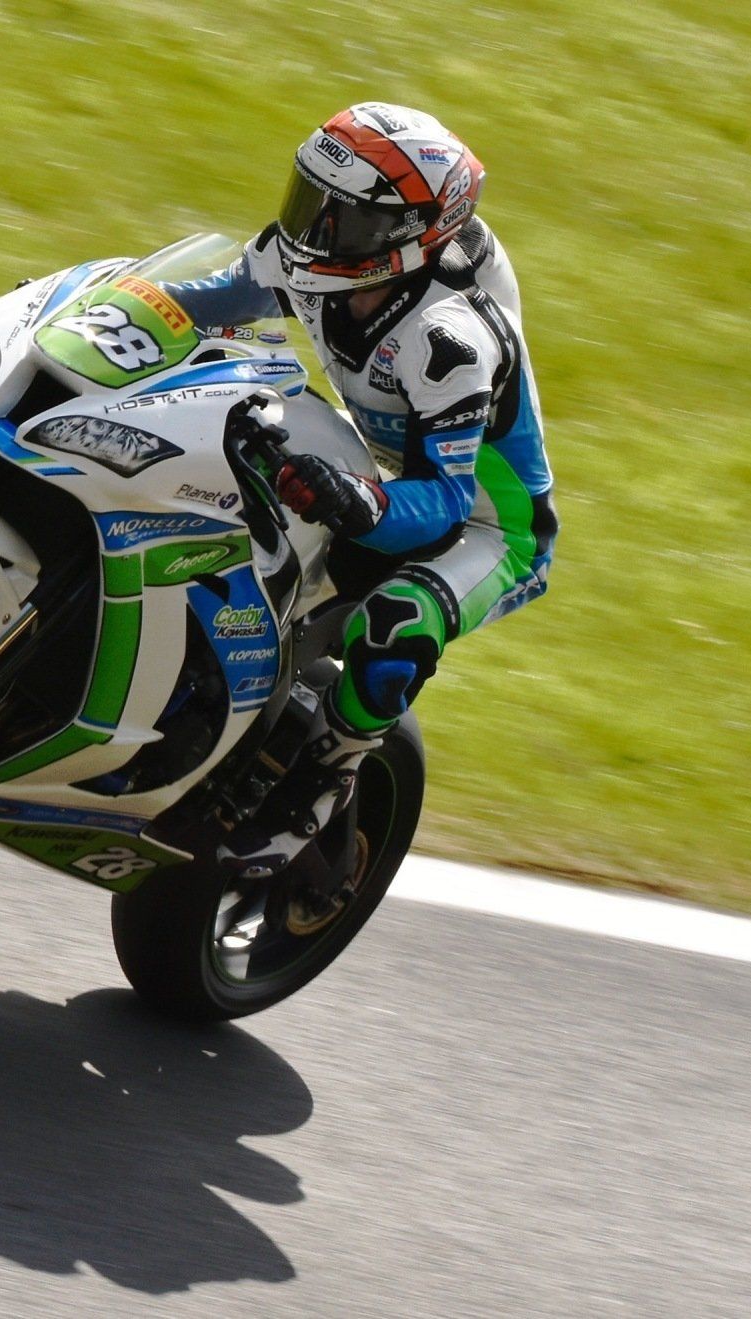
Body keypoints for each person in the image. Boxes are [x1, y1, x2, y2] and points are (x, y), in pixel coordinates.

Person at [169, 102, 557, 926]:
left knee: (395, 625)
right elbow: (212, 299)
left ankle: (325, 779)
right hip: (385, 472)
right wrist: (105, 311)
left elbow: (446, 502)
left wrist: (354, 498)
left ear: (409, 236)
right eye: (313, 198)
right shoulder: (317, 258)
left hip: (488, 526)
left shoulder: (447, 340)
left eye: (344, 218)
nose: (319, 226)